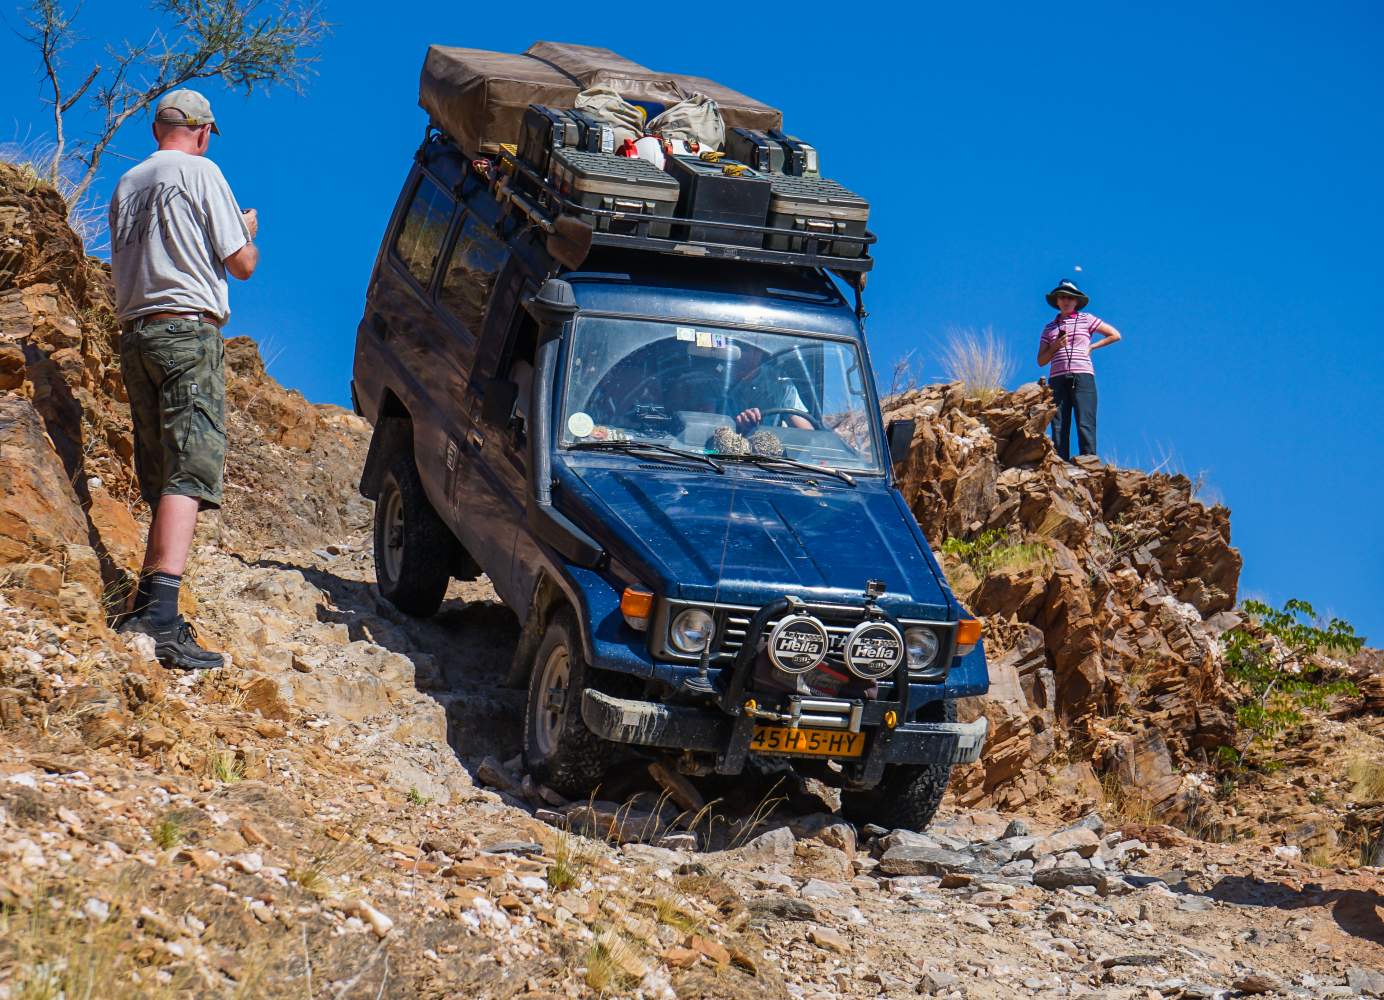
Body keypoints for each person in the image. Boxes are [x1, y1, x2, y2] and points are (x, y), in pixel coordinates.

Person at [109, 88, 259, 669]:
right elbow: (240, 264)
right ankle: (163, 616)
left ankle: (147, 603)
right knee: (190, 467)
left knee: (159, 467)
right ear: (200, 130)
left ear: (156, 129)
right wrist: (245, 230)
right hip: (185, 333)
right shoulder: (202, 171)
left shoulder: (127, 184)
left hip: (135, 333)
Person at [1036, 278, 1121, 460]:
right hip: (1057, 378)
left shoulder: (1086, 319)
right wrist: (1055, 346)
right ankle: (1060, 464)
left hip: (1082, 374)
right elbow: (1041, 360)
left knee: (1085, 420)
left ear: (1076, 301)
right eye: (1062, 297)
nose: (1066, 301)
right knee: (1058, 423)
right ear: (1057, 301)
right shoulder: (1049, 328)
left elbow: (1115, 335)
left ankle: (1089, 463)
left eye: (1070, 297)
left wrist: (1092, 347)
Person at [730, 348, 813, 432]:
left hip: (770, 442)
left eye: (756, 350)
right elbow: (717, 422)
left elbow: (808, 434)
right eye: (743, 347)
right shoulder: (720, 378)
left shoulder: (778, 381)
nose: (756, 354)